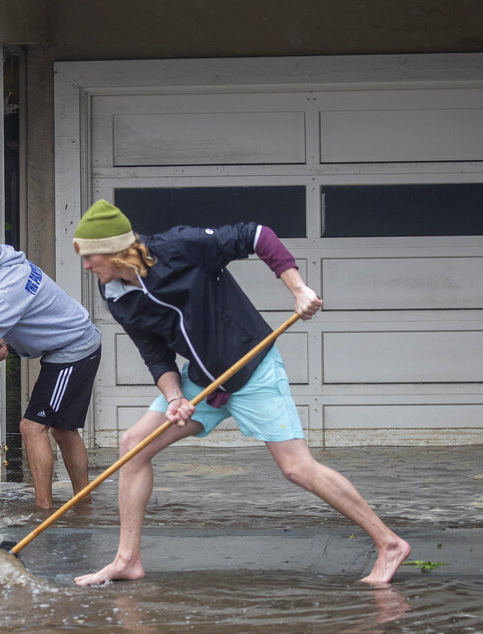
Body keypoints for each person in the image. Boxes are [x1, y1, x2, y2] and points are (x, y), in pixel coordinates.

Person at [70, 199, 410, 585]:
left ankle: (389, 544)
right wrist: (176, 397)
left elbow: (257, 235)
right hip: (203, 379)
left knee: (297, 468)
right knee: (133, 445)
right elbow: (155, 354)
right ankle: (127, 560)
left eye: (91, 256)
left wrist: (297, 289)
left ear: (117, 252)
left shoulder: (180, 247)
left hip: (251, 367)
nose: (86, 266)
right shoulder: (115, 293)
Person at [0, 222, 102, 510]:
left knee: (31, 427)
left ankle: (43, 511)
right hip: (75, 339)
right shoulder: (3, 262)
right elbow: (17, 311)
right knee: (63, 429)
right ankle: (82, 505)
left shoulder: (4, 282)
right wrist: (3, 339)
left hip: (72, 348)